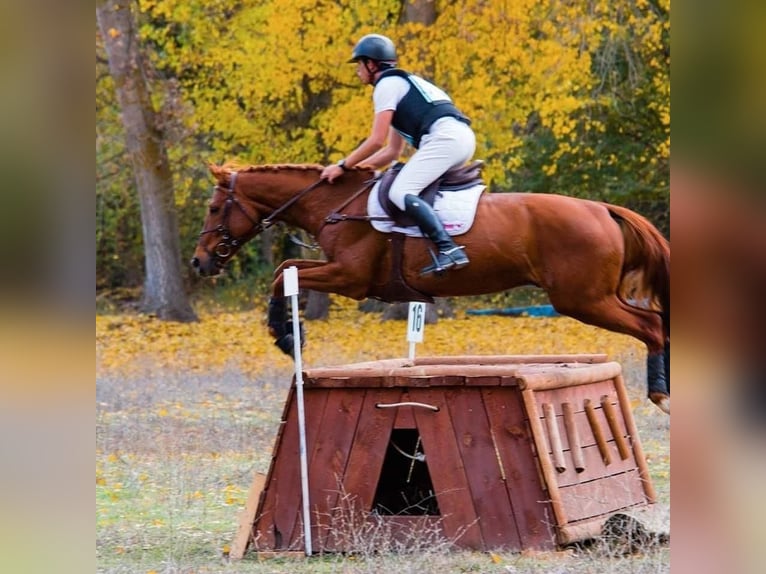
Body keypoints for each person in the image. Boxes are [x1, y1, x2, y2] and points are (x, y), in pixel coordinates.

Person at [320, 33, 476, 275]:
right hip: (458, 138)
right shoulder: (403, 85)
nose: (358, 71)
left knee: (400, 191)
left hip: (445, 139)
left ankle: (447, 248)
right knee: (406, 184)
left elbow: (375, 141)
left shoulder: (386, 86)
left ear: (371, 64)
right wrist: (353, 170)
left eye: (359, 64)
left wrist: (342, 165)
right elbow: (391, 152)